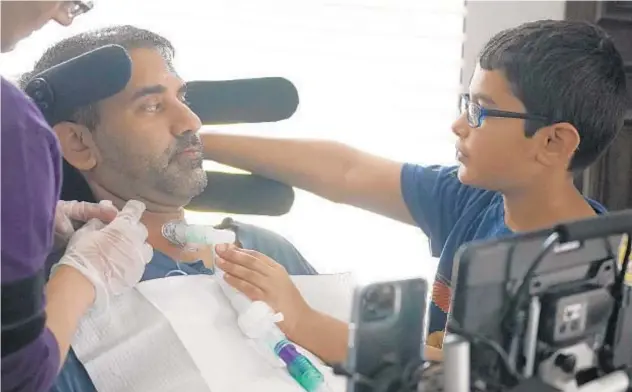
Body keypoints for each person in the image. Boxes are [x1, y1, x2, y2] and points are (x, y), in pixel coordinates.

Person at [201, 20, 628, 349]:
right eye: (467, 104)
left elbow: (467, 374)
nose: (458, 125)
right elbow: (347, 172)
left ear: (553, 142)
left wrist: (303, 322)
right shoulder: (477, 200)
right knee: (255, 241)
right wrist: (199, 143)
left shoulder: (583, 277)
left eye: (481, 111)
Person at [17, 25, 345, 391]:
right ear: (78, 143)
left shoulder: (266, 250)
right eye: (152, 106)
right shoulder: (65, 306)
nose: (192, 121)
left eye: (182, 98)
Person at [1, 2, 154, 392]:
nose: (63, 16)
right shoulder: (13, 127)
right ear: (77, 141)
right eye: (152, 105)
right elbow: (15, 375)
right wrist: (82, 276)